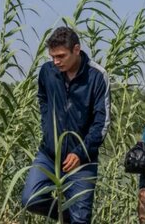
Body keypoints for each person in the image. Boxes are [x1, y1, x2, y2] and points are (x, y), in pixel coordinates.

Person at [21, 27, 110, 223]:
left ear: (76, 49)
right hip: (49, 154)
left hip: (83, 161)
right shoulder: (47, 71)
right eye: (53, 56)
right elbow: (42, 97)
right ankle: (66, 217)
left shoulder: (97, 76)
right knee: (30, 199)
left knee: (82, 218)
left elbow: (101, 123)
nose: (56, 61)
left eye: (61, 56)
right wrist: (47, 126)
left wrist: (80, 152)